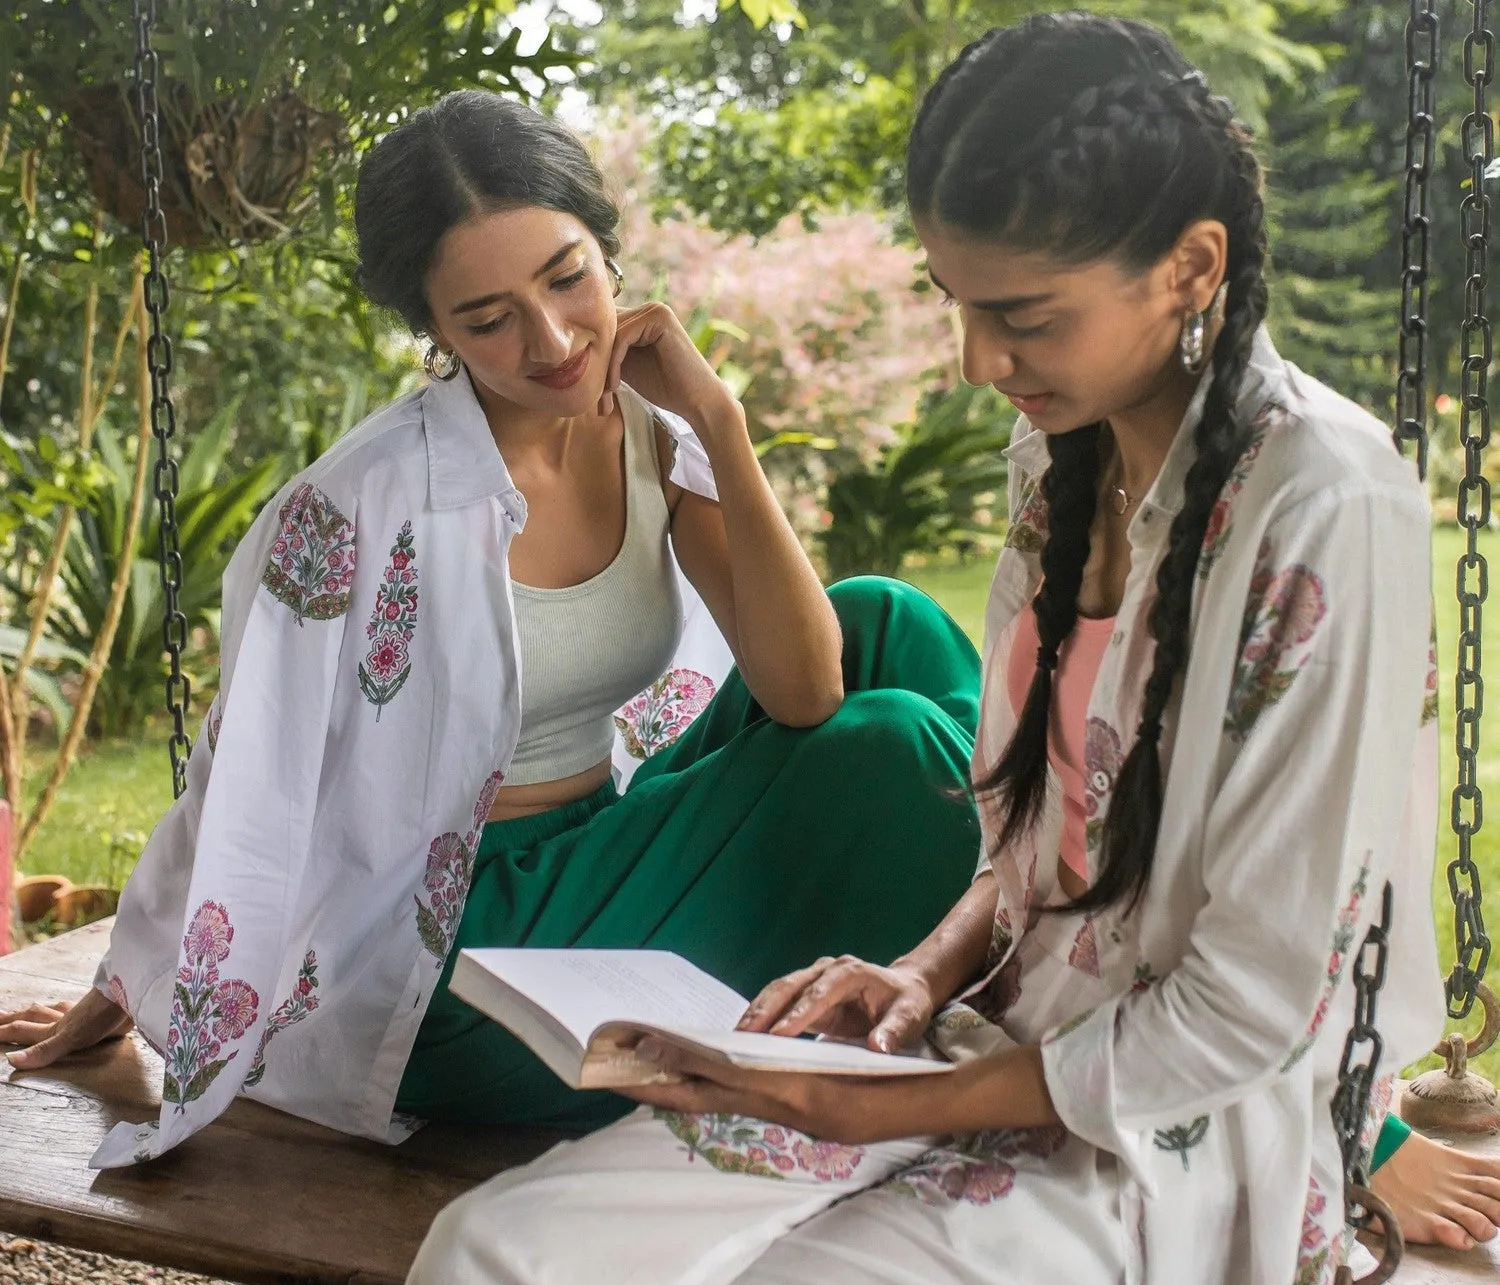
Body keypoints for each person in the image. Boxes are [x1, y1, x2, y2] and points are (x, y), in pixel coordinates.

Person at [392, 18, 1490, 1285]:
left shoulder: (1325, 511)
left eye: (1023, 318)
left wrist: (878, 1108)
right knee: (489, 1260)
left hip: (1170, 1159)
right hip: (975, 1056)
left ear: (1192, 267)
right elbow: (1038, 845)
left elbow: (1250, 1014)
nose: (981, 364)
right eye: (956, 305)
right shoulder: (1069, 446)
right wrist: (918, 975)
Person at [0, 93, 983, 1163]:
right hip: (457, 950)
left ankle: (1004, 912)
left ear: (611, 254)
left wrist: (722, 425)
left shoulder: (655, 440)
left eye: (568, 278)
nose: (553, 340)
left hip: (603, 850)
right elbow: (248, 775)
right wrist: (133, 984)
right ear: (433, 331)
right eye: (488, 318)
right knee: (893, 752)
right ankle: (982, 936)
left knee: (887, 623)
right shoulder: (362, 505)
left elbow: (806, 691)